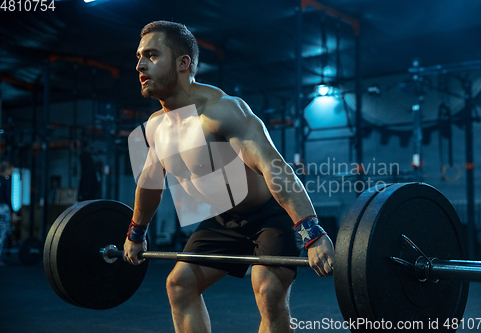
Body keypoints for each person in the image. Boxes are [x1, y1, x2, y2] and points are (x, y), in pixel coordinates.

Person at [124, 21, 335, 333]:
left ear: (184, 64)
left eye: (152, 55)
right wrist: (136, 233)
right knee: (179, 284)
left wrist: (311, 232)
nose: (140, 64)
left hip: (268, 217)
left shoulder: (223, 111)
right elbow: (150, 184)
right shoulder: (156, 126)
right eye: (139, 56)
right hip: (223, 219)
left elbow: (274, 167)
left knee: (267, 290)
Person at [0, 161, 15, 266]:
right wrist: (13, 212)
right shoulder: (6, 181)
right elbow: (8, 198)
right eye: (11, 169)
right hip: (3, 209)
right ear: (7, 169)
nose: (12, 171)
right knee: (2, 235)